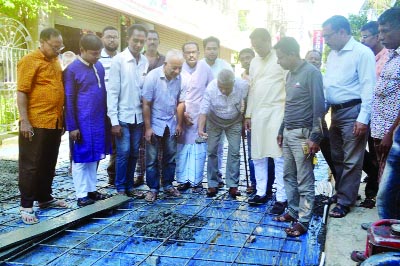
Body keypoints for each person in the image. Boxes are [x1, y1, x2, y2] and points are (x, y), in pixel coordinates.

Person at [352, 11, 400, 264]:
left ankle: (385, 248)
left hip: (394, 136)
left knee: (388, 193)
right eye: (379, 31)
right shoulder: (390, 56)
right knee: (385, 188)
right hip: (382, 130)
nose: (382, 36)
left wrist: (391, 133)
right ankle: (381, 240)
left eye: (386, 31)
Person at [322, 15, 375, 218]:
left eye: (328, 35)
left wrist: (363, 118)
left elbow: (368, 86)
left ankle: (345, 200)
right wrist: (325, 108)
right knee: (337, 156)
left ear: (342, 32)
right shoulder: (333, 54)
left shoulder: (362, 53)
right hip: (336, 111)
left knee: (352, 159)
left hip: (354, 111)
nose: (325, 40)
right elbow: (330, 84)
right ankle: (342, 192)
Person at [274, 37, 325, 237]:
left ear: (292, 54)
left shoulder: (312, 73)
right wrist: (281, 130)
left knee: (304, 179)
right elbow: (289, 106)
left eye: (280, 57)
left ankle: (303, 221)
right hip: (288, 133)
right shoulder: (290, 74)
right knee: (288, 175)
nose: (278, 61)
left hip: (304, 135)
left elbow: (319, 107)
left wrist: (315, 137)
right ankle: (293, 211)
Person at [17, 28, 68, 224]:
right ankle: (26, 205)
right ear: (43, 42)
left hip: (53, 122)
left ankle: (45, 198)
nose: (58, 50)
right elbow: (22, 92)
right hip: (35, 122)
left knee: (48, 162)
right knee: (31, 165)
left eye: (60, 47)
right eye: (55, 46)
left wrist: (61, 119)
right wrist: (25, 121)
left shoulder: (55, 61)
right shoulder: (30, 61)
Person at [64, 34, 111, 206]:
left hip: (98, 120)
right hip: (81, 122)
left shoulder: (98, 66)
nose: (97, 56)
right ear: (82, 50)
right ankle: (81, 194)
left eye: (99, 53)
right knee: (80, 157)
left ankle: (91, 189)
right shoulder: (72, 70)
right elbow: (68, 100)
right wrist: (72, 126)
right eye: (93, 53)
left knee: (94, 157)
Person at [245, 28, 287, 215]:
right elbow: (252, 89)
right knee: (258, 155)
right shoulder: (254, 62)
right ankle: (261, 192)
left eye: (260, 46)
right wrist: (248, 114)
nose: (257, 50)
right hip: (258, 114)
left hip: (277, 111)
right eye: (254, 47)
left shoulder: (280, 59)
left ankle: (282, 197)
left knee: (278, 156)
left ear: (268, 41)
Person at [107, 24, 148, 198]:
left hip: (138, 117)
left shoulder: (145, 61)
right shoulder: (119, 60)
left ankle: (130, 186)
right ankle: (120, 188)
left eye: (141, 41)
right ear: (128, 39)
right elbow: (113, 91)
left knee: (133, 153)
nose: (138, 44)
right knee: (123, 153)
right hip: (122, 116)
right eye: (135, 40)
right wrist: (114, 121)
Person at [142, 49, 185, 202]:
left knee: (170, 157)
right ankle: (153, 188)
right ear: (165, 64)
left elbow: (180, 102)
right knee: (152, 159)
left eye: (180, 67)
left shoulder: (179, 78)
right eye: (174, 67)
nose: (177, 71)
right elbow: (146, 104)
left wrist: (179, 124)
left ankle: (167, 185)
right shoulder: (152, 77)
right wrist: (148, 128)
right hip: (155, 123)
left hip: (171, 123)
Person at [198, 69, 248, 198]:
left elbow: (248, 100)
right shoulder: (211, 88)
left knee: (235, 151)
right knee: (212, 150)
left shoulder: (242, 85)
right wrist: (200, 129)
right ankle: (212, 184)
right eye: (221, 88)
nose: (224, 91)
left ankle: (233, 185)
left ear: (233, 83)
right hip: (214, 120)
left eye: (227, 88)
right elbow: (203, 111)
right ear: (218, 83)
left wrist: (245, 119)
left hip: (234, 120)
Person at [175, 42, 214, 193]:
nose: (191, 55)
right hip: (181, 114)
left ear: (199, 53)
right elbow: (174, 93)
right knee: (183, 149)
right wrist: (181, 114)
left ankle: (196, 182)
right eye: (188, 52)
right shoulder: (179, 68)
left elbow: (211, 90)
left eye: (194, 52)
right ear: (183, 54)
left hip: (200, 115)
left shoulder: (205, 68)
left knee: (198, 148)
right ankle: (183, 180)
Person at [359, 21, 390, 208]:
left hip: (381, 116)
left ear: (377, 36)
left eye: (365, 36)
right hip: (365, 112)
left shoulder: (388, 58)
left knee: (378, 154)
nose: (362, 40)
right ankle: (373, 182)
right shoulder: (366, 56)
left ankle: (373, 193)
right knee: (361, 152)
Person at [135, 29, 166, 187]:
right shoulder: (138, 60)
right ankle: (140, 174)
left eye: (155, 39)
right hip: (140, 106)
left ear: (158, 42)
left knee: (158, 143)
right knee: (141, 143)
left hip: (159, 108)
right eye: (149, 39)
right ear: (145, 41)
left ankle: (158, 175)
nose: (152, 41)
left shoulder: (164, 61)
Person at [201, 36, 233, 187]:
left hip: (220, 114)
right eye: (209, 48)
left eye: (214, 48)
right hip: (201, 113)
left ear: (218, 49)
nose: (212, 51)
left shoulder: (225, 66)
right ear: (204, 49)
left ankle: (217, 175)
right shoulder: (199, 66)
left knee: (218, 147)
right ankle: (197, 176)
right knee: (200, 146)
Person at [99, 26, 120, 186]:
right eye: (109, 37)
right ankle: (89, 185)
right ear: (102, 39)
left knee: (117, 145)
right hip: (99, 108)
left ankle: (113, 177)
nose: (112, 39)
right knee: (98, 143)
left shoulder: (122, 59)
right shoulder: (96, 58)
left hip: (118, 109)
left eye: (115, 37)